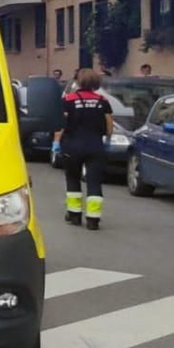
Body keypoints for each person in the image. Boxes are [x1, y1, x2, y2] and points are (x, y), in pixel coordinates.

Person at [53, 68, 113, 231]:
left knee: (73, 178)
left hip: (72, 145)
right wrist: (107, 138)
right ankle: (93, 219)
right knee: (94, 181)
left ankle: (75, 215)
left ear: (78, 81)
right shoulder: (102, 100)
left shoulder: (69, 99)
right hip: (95, 145)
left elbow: (61, 124)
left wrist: (56, 143)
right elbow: (109, 123)